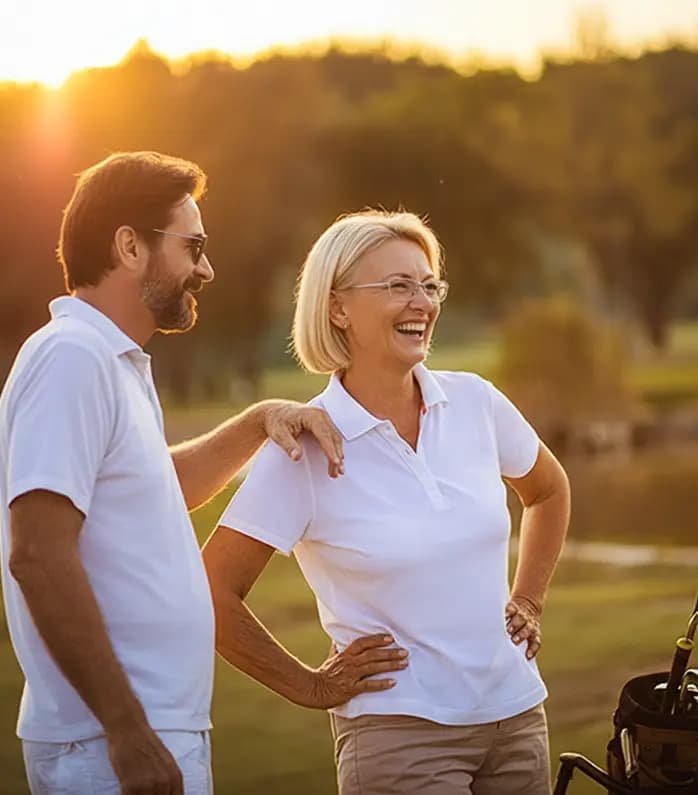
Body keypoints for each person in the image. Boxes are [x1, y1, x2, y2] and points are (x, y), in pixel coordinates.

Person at [0, 151, 345, 795]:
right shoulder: (72, 358)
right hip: (107, 743)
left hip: (141, 731)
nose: (206, 268)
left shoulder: (114, 360)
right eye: (193, 246)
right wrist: (127, 730)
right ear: (129, 246)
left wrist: (257, 421)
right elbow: (38, 556)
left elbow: (156, 494)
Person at [202, 210, 571, 795]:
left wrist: (529, 596)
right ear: (337, 307)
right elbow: (211, 592)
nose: (421, 302)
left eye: (429, 285)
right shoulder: (304, 448)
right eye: (398, 286)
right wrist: (309, 686)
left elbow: (548, 490)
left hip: (517, 719)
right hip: (400, 739)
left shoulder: (476, 401)